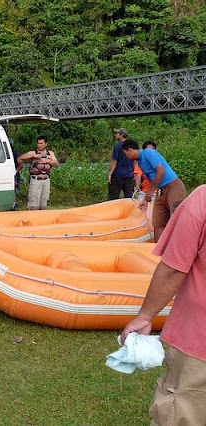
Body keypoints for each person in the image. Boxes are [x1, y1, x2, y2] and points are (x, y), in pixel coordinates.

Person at [121, 184, 206, 425]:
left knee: (183, 410)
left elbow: (173, 267)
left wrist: (145, 316)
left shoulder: (202, 200)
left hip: (199, 343)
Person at [122, 139, 185, 242]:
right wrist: (147, 199)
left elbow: (160, 171)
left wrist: (151, 191)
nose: (126, 157)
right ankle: (157, 248)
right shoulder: (140, 163)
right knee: (158, 221)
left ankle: (181, 247)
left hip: (173, 187)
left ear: (129, 150)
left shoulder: (148, 153)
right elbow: (151, 179)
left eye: (126, 154)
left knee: (176, 219)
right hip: (161, 190)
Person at [18, 135, 59, 210]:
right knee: (33, 203)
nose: (39, 145)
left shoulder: (50, 153)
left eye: (41, 143)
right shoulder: (33, 152)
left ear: (46, 144)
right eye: (38, 143)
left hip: (46, 180)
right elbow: (21, 158)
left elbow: (56, 163)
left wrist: (47, 160)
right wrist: (33, 156)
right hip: (36, 180)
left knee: (44, 202)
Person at [107, 128, 135, 200]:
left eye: (117, 133)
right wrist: (134, 172)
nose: (116, 135)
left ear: (121, 135)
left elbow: (114, 162)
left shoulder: (117, 146)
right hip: (129, 174)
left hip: (117, 175)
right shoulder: (132, 145)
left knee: (113, 197)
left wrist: (110, 174)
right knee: (129, 197)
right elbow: (135, 161)